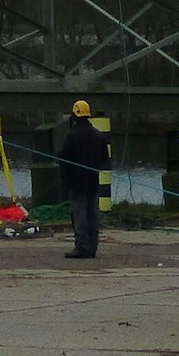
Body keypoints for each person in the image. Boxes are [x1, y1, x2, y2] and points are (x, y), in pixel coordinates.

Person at [58, 100, 112, 259]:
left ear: (74, 115)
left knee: (79, 213)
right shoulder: (98, 135)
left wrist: (65, 179)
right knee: (92, 214)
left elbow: (64, 158)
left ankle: (81, 247)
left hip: (76, 182)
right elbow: (105, 158)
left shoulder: (72, 135)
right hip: (93, 181)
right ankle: (92, 247)